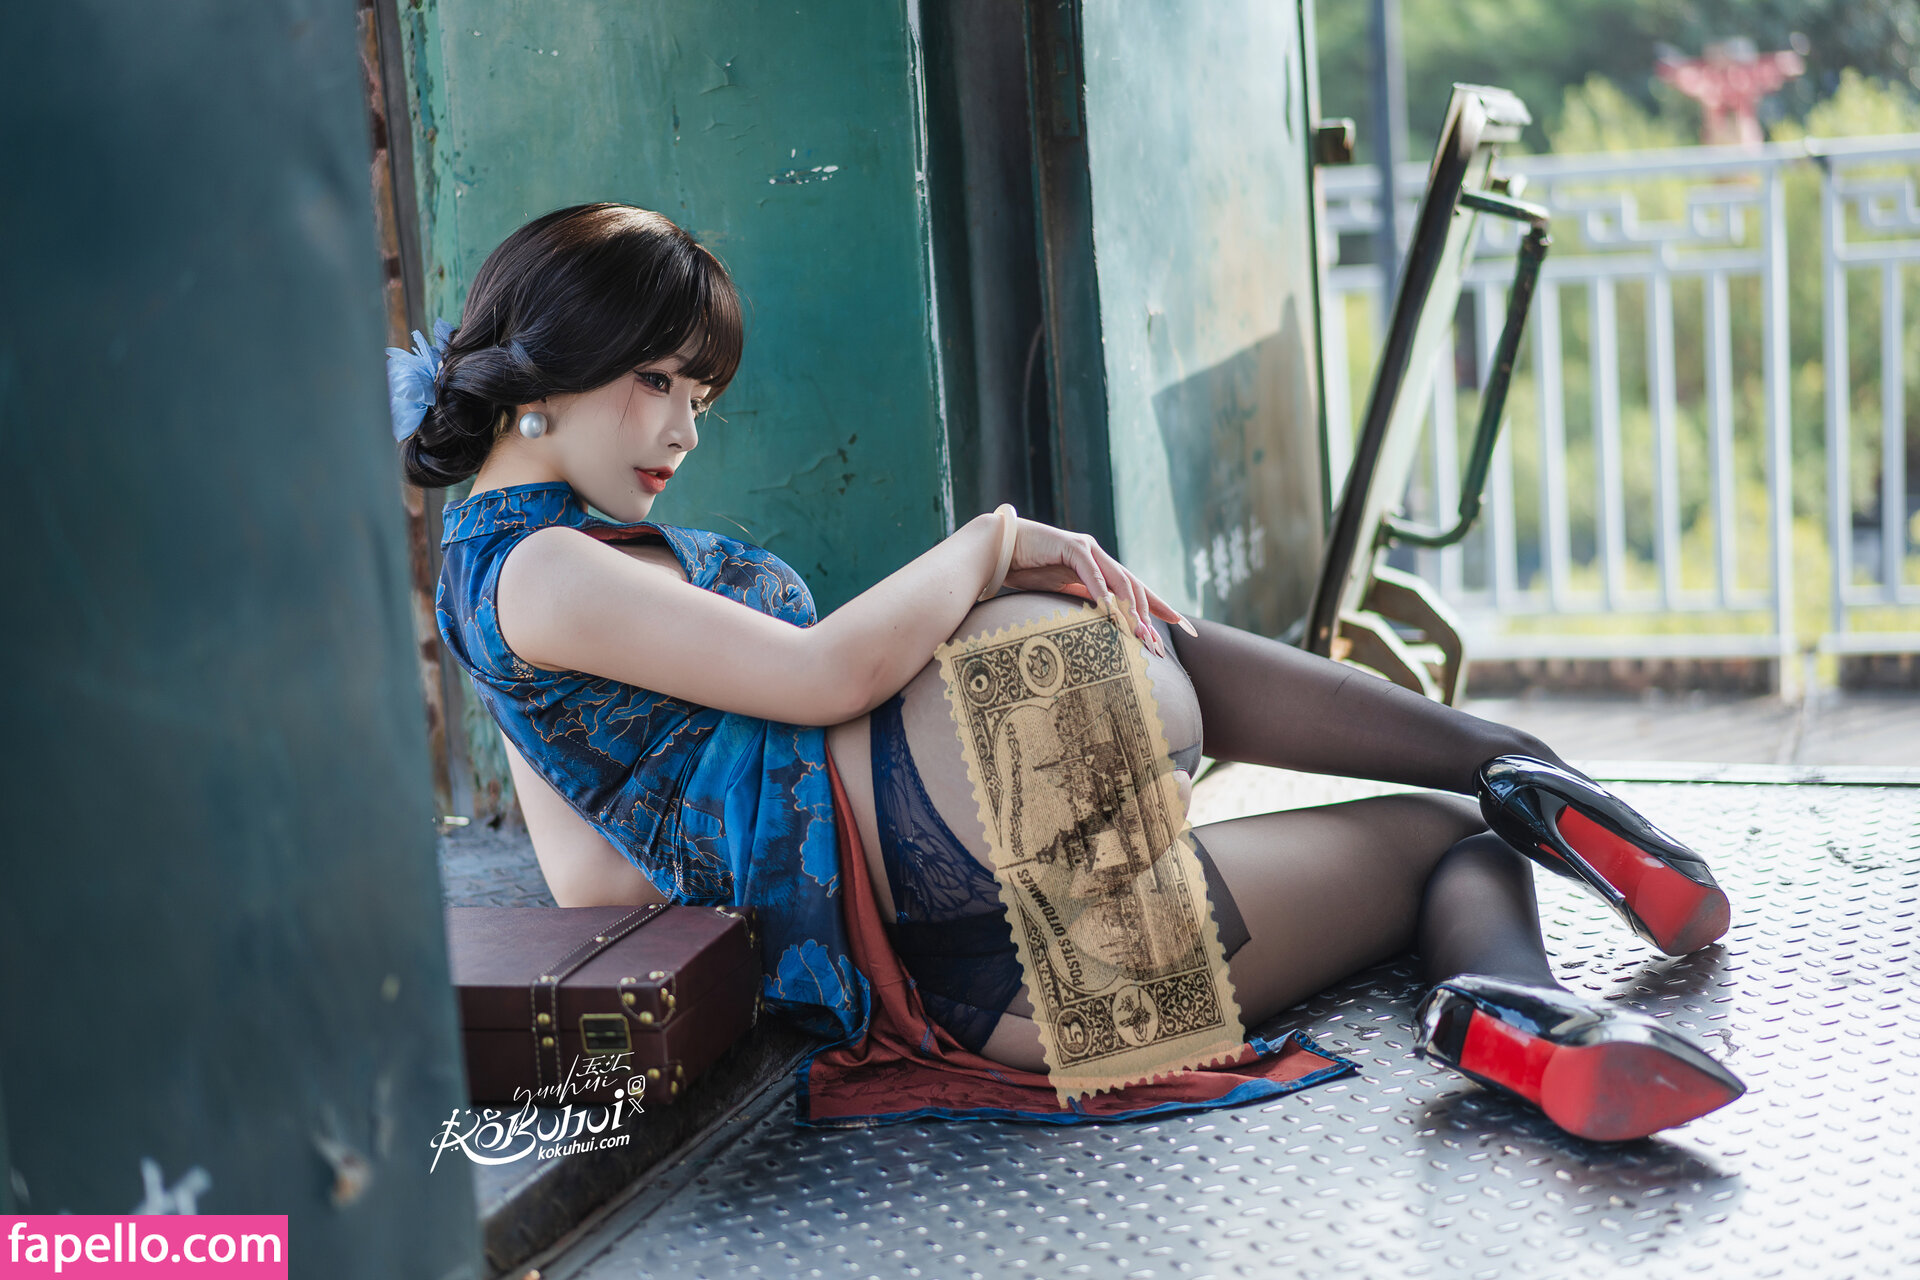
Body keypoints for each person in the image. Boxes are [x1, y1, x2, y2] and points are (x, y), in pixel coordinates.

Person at [396, 202, 1744, 1142]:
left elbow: (594, 887)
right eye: (658, 381)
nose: (686, 430)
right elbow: (820, 678)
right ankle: (1517, 763)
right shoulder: (550, 566)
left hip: (992, 1000)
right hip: (964, 797)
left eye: (701, 396)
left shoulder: (496, 582)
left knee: (1444, 845)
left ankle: (1515, 1012)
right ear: (545, 372)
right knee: (1094, 610)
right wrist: (992, 541)